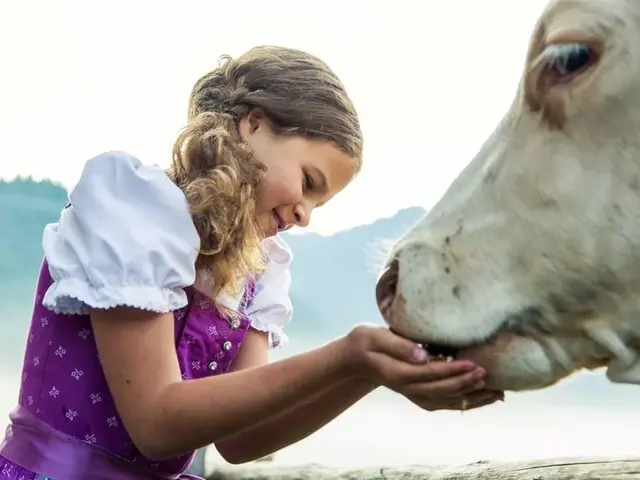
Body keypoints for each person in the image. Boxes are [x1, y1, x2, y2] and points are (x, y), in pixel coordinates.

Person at [0, 45, 504, 480]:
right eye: (309, 182)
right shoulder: (132, 210)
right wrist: (346, 355)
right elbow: (155, 424)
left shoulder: (256, 270)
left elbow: (242, 442)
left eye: (319, 205)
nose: (305, 215)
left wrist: (366, 373)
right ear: (254, 124)